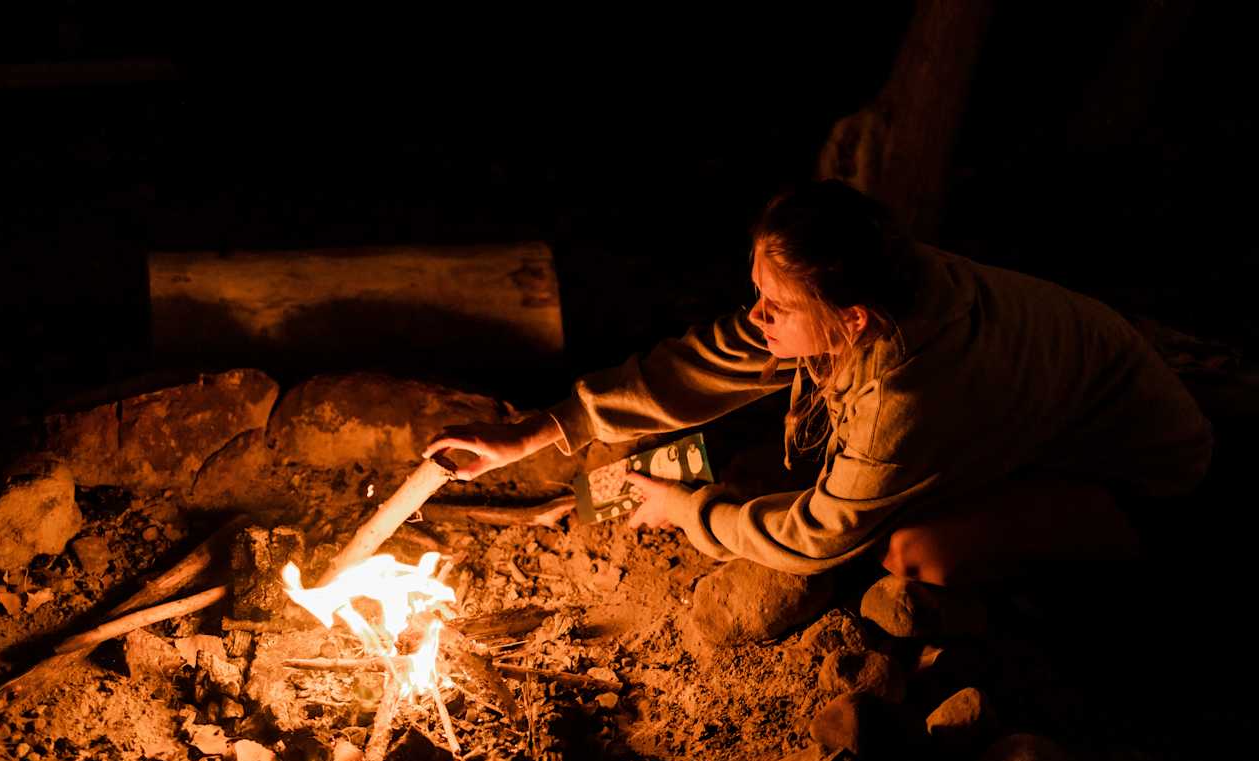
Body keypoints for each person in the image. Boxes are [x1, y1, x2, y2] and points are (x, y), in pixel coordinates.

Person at [424, 180, 1212, 640]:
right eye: (758, 293)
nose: (756, 314)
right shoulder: (875, 287)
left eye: (774, 304)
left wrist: (686, 509)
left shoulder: (910, 390)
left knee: (912, 552)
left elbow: (816, 536)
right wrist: (534, 431)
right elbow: (707, 363)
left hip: (1140, 479)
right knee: (760, 456)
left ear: (853, 318)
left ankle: (1089, 577)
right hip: (1022, 409)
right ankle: (567, 505)